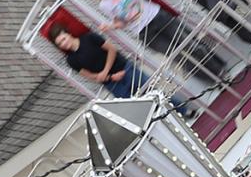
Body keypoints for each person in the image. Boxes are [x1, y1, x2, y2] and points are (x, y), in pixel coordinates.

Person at [49, 22, 194, 115]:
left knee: (155, 90)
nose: (63, 43)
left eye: (63, 39)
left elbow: (111, 50)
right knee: (139, 107)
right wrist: (107, 76)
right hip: (113, 83)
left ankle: (184, 110)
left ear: (68, 34)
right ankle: (169, 122)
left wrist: (106, 70)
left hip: (125, 68)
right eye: (59, 43)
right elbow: (87, 74)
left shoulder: (89, 38)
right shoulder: (71, 60)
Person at [86, 0, 214, 72]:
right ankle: (207, 78)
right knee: (177, 56)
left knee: (189, 42)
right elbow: (121, 22)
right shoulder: (103, 5)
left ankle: (217, 68)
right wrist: (110, 27)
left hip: (157, 17)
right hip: (144, 32)